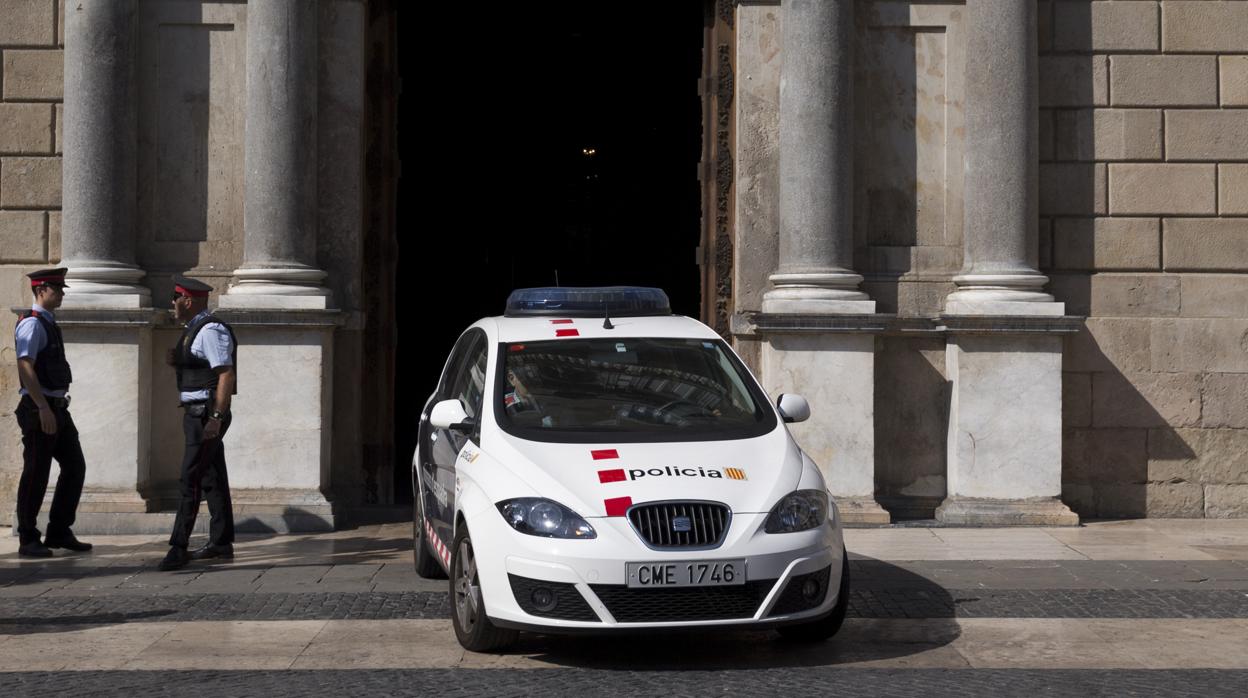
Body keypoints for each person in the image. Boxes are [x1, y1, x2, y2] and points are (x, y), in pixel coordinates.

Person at [158, 276, 238, 571]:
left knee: (189, 478)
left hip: (206, 414)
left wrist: (216, 418)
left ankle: (178, 546)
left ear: (187, 301)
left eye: (175, 299)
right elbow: (199, 365)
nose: (172, 305)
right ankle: (221, 542)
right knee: (211, 477)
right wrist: (176, 360)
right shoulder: (193, 330)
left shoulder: (210, 330)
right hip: (195, 413)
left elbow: (225, 374)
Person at [13, 268, 92, 557]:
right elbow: (25, 366)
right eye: (57, 289)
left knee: (75, 466)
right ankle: (27, 537)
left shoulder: (48, 323)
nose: (61, 294)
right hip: (39, 408)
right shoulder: (32, 325)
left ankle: (59, 530)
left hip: (57, 407)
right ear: (41, 290)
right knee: (36, 472)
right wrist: (43, 407)